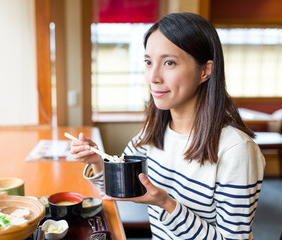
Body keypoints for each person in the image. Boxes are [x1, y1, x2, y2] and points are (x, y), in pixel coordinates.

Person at [70, 12, 265, 239]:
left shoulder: (236, 150)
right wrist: (96, 162)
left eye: (169, 63)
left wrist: (166, 204)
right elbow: (123, 188)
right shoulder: (152, 132)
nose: (153, 77)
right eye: (148, 62)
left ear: (205, 71)